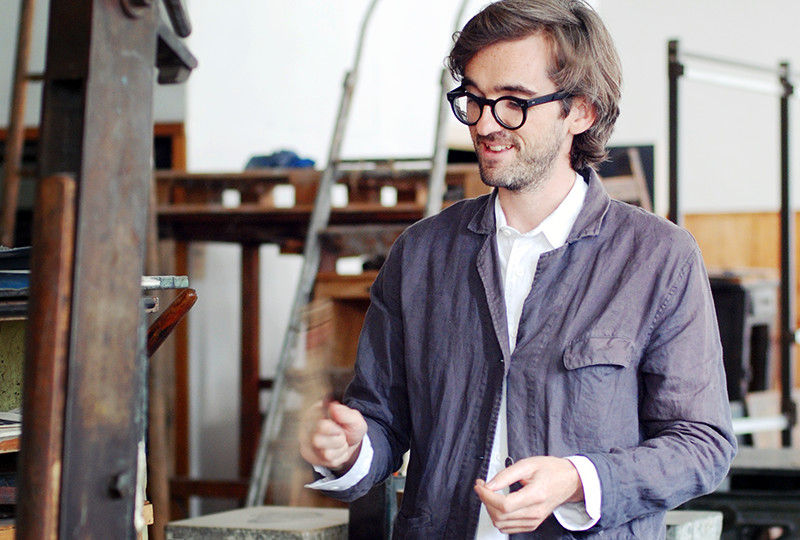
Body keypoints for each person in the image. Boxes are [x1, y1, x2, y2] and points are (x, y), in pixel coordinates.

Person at [299, 0, 736, 537]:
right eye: (474, 99)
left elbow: (701, 445)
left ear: (581, 112)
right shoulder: (420, 255)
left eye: (514, 102)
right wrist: (349, 449)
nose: (485, 123)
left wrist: (577, 480)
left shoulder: (657, 257)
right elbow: (382, 423)